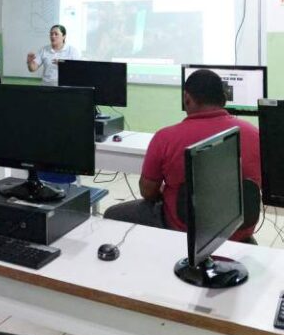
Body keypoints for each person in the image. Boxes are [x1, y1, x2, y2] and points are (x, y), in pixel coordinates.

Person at [104, 69, 261, 242]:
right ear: (224, 98)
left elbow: (147, 192)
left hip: (182, 230)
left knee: (112, 214)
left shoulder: (165, 138)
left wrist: (166, 192)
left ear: (187, 98)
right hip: (238, 232)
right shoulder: (256, 135)